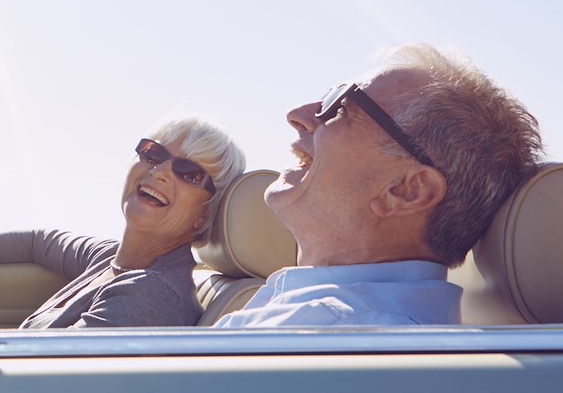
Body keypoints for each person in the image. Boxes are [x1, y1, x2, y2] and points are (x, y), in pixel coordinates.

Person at [214, 43, 543, 328]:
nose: (297, 114)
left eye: (340, 105)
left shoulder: (334, 337)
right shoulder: (324, 321)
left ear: (407, 190)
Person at [0, 117, 246, 328]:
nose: (160, 171)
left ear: (204, 216)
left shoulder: (149, 296)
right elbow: (37, 241)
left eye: (189, 173)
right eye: (153, 153)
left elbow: (37, 385)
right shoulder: (113, 259)